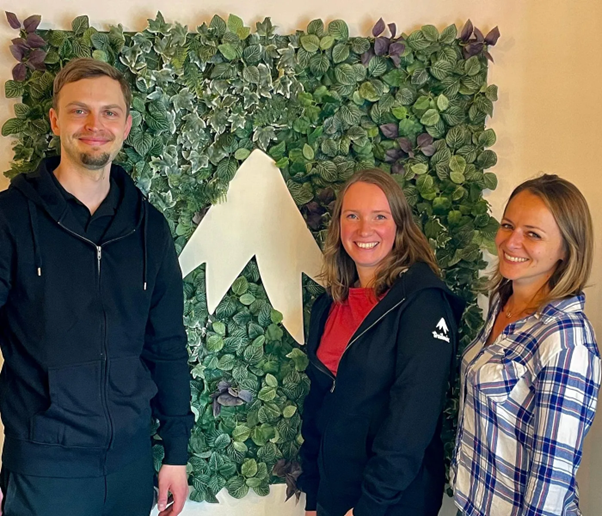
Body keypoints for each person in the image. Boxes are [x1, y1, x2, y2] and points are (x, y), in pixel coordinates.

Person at [0, 58, 193, 516]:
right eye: (79, 110)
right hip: (45, 467)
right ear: (55, 120)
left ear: (126, 125)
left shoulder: (149, 229)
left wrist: (177, 453)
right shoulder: (9, 219)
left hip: (129, 466)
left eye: (109, 112)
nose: (95, 125)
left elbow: (167, 346)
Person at [298, 169, 465, 516]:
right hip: (335, 496)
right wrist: (314, 495)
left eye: (379, 216)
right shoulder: (328, 305)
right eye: (352, 216)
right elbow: (318, 407)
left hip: (392, 503)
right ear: (339, 226)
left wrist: (369, 507)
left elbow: (411, 421)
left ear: (399, 226)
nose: (364, 229)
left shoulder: (422, 303)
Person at [452, 174, 600, 515]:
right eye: (508, 225)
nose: (511, 242)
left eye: (532, 234)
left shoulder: (566, 342)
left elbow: (551, 478)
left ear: (566, 249)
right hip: (475, 504)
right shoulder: (503, 302)